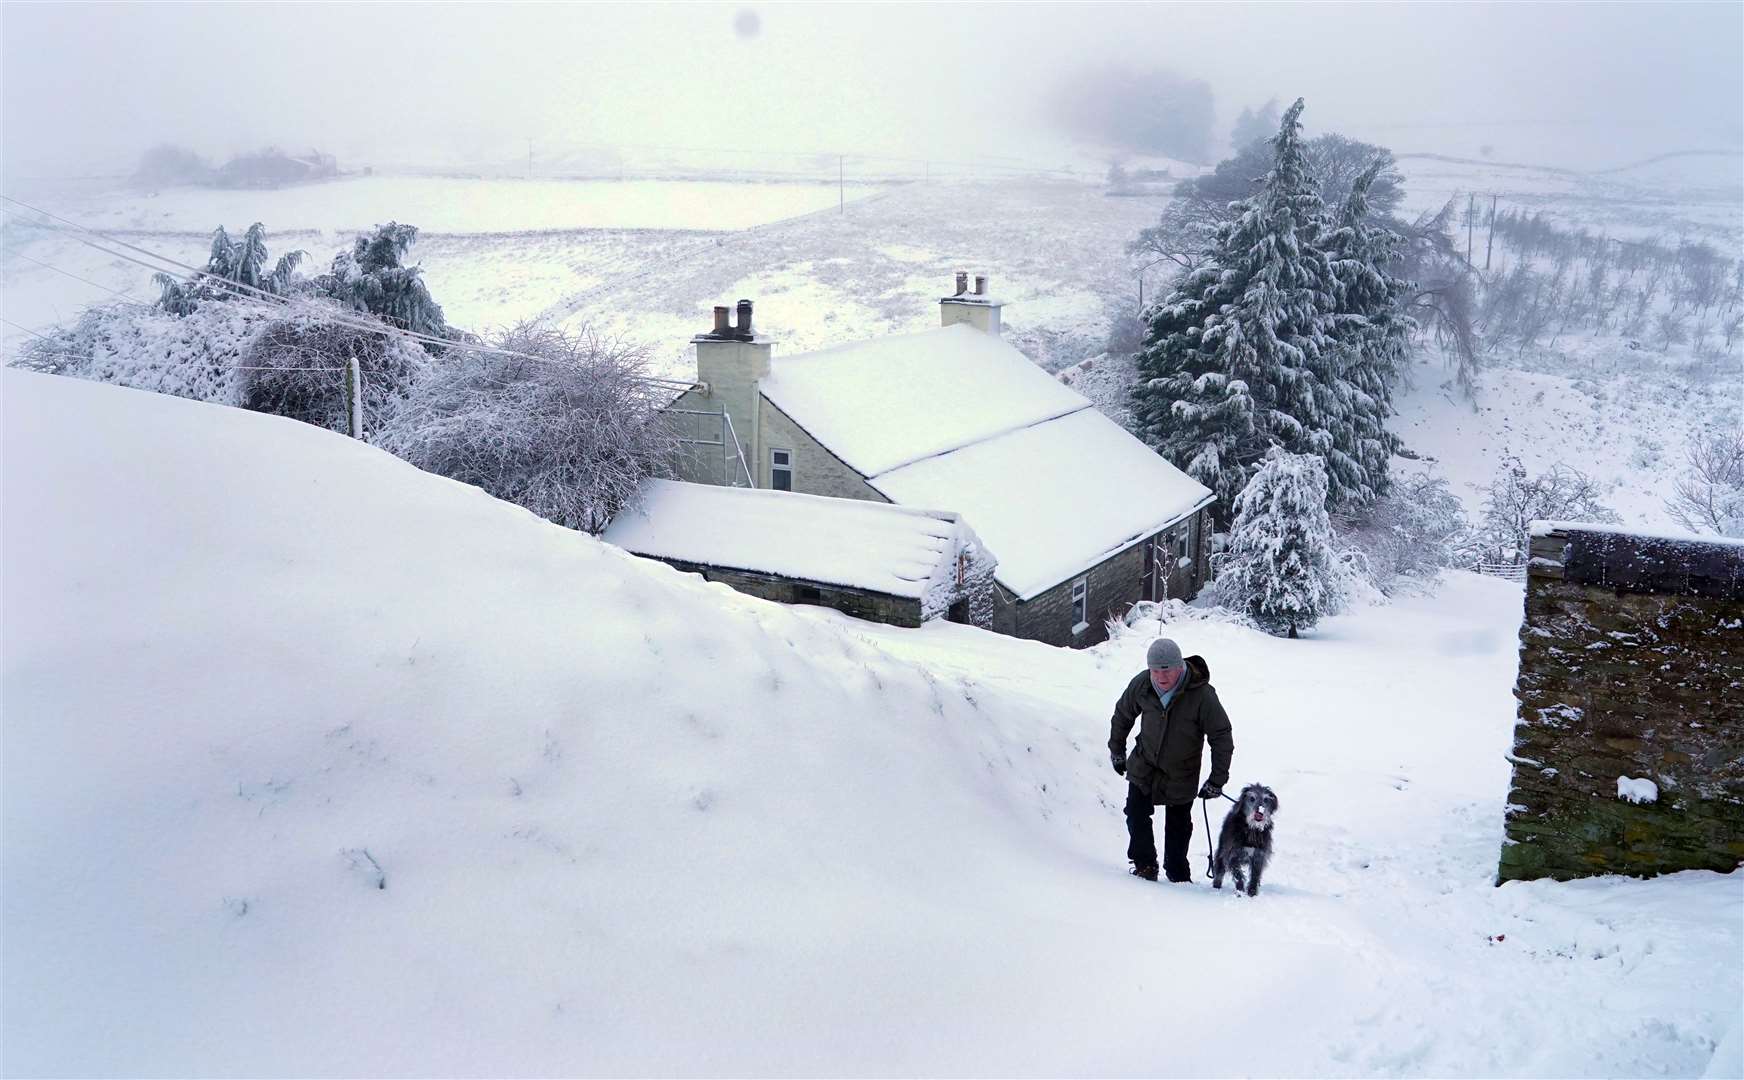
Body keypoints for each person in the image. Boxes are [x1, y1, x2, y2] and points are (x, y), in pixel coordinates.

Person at [1108, 637, 1234, 883]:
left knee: (1178, 827)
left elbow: (1221, 736)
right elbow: (1123, 714)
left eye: (1166, 671)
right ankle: (1145, 865)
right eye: (1155, 671)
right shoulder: (1142, 684)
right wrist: (1117, 749)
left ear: (1180, 667)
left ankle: (1177, 874)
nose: (1160, 677)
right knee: (1135, 813)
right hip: (1144, 764)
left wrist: (1217, 780)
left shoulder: (1202, 695)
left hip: (1182, 771)